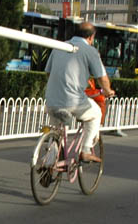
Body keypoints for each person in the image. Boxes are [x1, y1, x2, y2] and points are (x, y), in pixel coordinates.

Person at [44, 21, 115, 163]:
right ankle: (86, 150)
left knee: (55, 130)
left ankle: (50, 163)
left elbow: (48, 73)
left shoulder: (59, 46)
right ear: (91, 37)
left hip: (51, 100)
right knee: (96, 114)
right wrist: (108, 91)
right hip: (73, 102)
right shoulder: (90, 51)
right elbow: (102, 78)